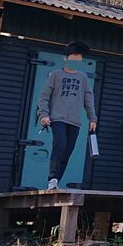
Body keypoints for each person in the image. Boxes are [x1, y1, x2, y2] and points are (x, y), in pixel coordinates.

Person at [37, 41, 98, 189]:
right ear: (65, 59)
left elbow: (88, 99)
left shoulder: (83, 78)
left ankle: (56, 181)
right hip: (57, 118)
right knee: (60, 145)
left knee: (67, 152)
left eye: (78, 59)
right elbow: (44, 97)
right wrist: (43, 114)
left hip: (75, 121)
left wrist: (92, 118)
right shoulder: (56, 75)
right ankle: (52, 179)